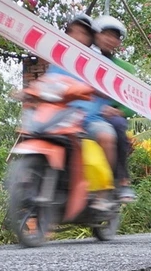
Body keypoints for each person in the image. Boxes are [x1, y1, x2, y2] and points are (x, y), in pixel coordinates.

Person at [26, 13, 117, 175]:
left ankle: (106, 190)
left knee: (107, 137)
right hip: (60, 115)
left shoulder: (101, 63)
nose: (78, 36)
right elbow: (48, 82)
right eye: (74, 31)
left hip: (89, 119)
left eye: (83, 33)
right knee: (32, 129)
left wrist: (100, 95)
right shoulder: (60, 59)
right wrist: (32, 90)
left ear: (91, 38)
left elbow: (110, 90)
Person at [92, 15, 137, 203]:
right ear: (95, 35)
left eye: (115, 36)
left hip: (110, 115)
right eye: (106, 34)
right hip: (84, 110)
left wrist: (118, 111)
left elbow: (132, 99)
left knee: (118, 126)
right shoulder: (83, 59)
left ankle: (122, 181)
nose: (110, 39)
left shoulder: (125, 68)